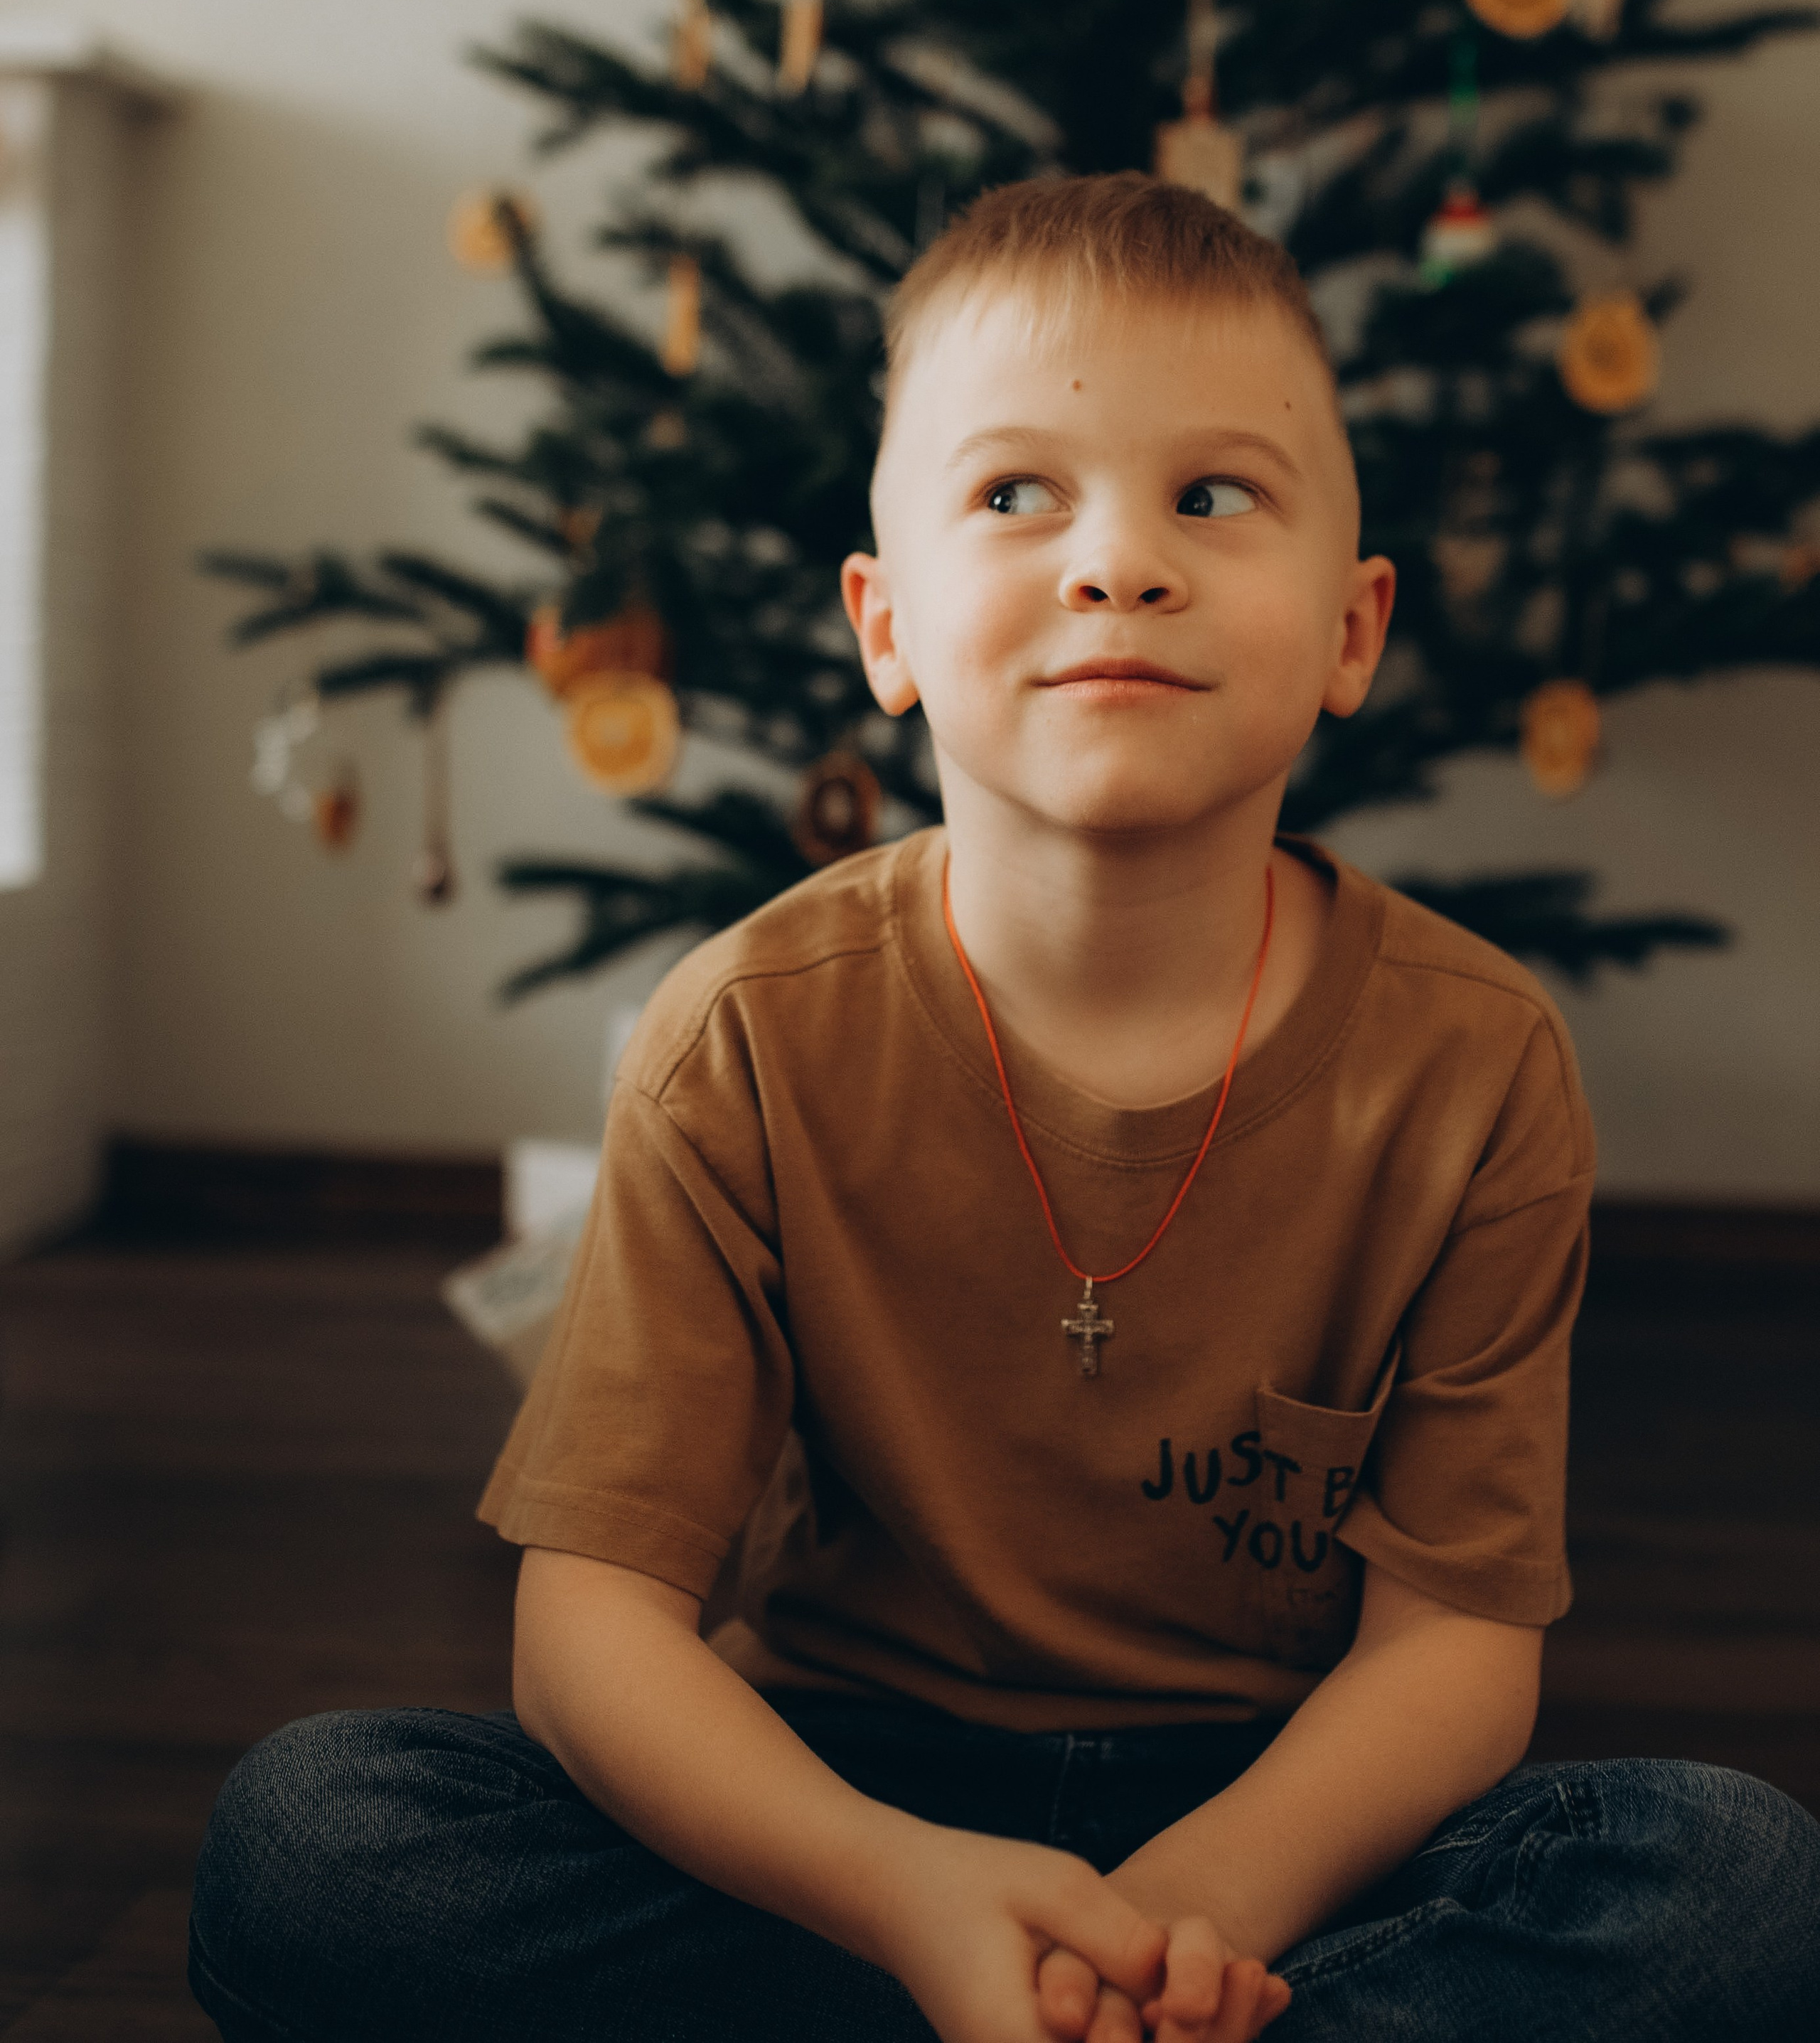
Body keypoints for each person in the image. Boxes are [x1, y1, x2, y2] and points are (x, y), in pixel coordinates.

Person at [188, 175, 1819, 2043]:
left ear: (1354, 630)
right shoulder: (740, 1035)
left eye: (1213, 494)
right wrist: (914, 1899)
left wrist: (1186, 1919)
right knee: (311, 1839)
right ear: (884, 625)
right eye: (1015, 492)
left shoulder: (1472, 1062)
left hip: (1280, 1831)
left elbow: (1452, 1655)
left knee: (1741, 1891)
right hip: (839, 1802)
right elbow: (592, 1634)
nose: (1116, 561)